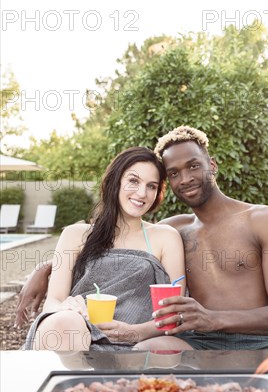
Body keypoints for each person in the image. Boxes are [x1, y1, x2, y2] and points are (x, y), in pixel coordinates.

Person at [17, 126, 268, 350]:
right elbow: (120, 244)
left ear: (211, 165)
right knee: (147, 354)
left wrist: (211, 319)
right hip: (199, 341)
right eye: (174, 173)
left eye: (193, 166)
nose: (185, 178)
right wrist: (46, 269)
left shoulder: (263, 220)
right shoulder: (175, 229)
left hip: (262, 341)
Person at [23, 147, 186, 351]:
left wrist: (135, 332)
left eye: (151, 186)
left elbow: (174, 314)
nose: (142, 193)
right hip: (71, 330)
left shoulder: (166, 237)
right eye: (133, 181)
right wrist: (66, 308)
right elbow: (53, 301)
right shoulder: (75, 235)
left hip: (132, 342)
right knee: (67, 324)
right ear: (114, 182)